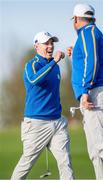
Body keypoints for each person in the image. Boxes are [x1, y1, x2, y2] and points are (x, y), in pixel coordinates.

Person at [11, 31, 74, 180]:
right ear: (36, 46)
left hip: (57, 121)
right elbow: (34, 80)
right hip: (36, 123)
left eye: (52, 43)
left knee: (66, 162)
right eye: (46, 43)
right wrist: (54, 62)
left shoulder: (55, 66)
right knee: (26, 163)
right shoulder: (31, 65)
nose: (50, 46)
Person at [67, 3, 103, 180]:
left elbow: (93, 61)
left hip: (94, 93)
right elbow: (91, 59)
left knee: (98, 148)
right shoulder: (91, 33)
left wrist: (86, 89)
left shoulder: (87, 32)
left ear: (75, 19)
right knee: (95, 149)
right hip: (95, 92)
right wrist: (76, 54)